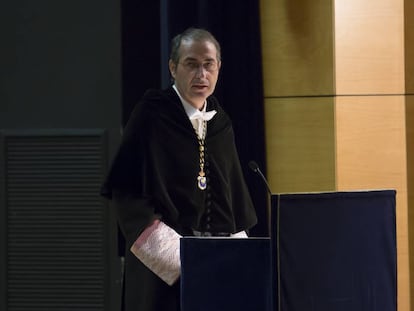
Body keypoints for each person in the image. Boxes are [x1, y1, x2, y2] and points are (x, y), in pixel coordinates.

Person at [101, 27, 257, 311]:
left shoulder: (221, 123)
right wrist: (186, 260)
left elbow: (231, 203)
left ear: (219, 68)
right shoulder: (150, 115)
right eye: (191, 64)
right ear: (173, 68)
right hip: (163, 274)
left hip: (214, 273)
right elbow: (128, 197)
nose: (201, 75)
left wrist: (239, 258)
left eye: (209, 64)